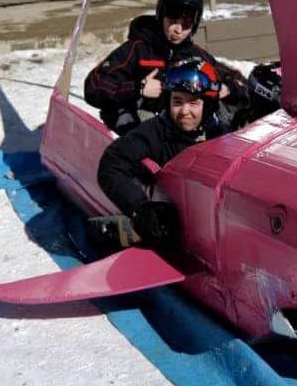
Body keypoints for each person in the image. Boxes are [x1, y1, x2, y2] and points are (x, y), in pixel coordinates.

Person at [84, 0, 248, 135]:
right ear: (161, 16)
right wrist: (138, 89)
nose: (178, 30)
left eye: (186, 25)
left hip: (180, 121)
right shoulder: (137, 49)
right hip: (141, 123)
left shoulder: (195, 55)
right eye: (173, 21)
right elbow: (94, 85)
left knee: (228, 113)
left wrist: (228, 89)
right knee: (139, 123)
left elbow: (238, 81)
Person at [95, 60, 223, 247]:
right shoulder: (156, 131)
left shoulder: (220, 133)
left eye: (194, 103)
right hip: (174, 225)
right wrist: (141, 208)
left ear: (207, 105)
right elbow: (112, 163)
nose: (184, 111)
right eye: (177, 102)